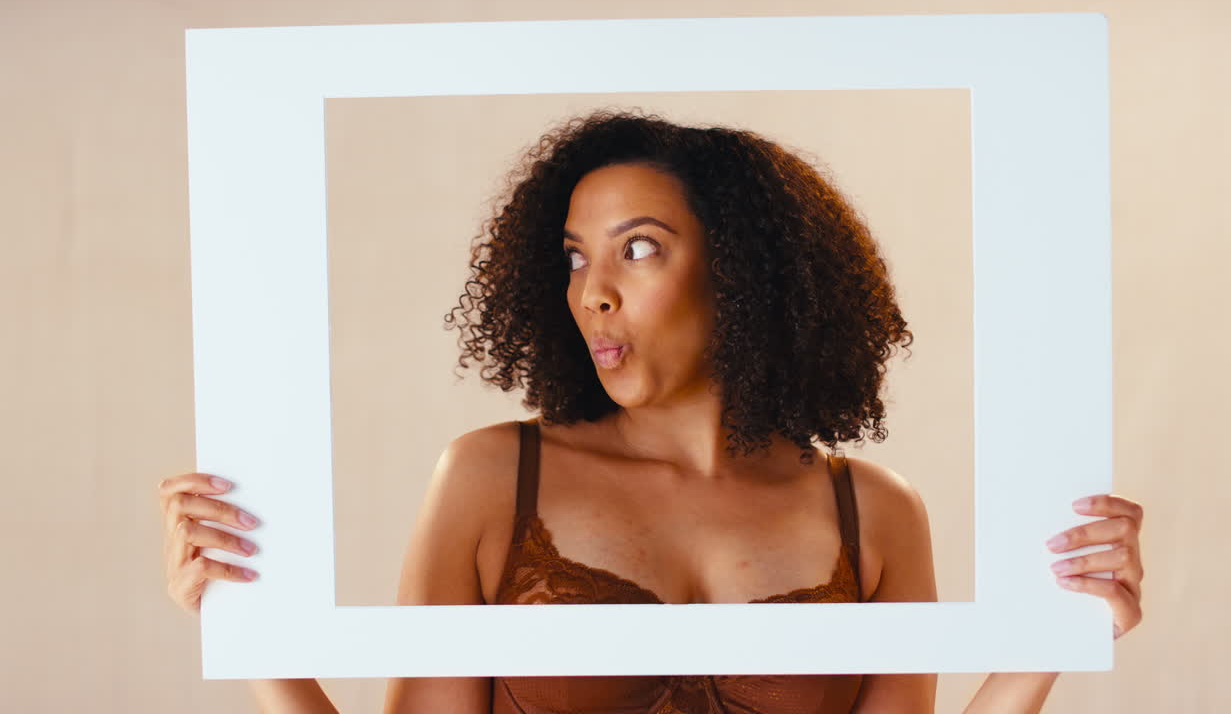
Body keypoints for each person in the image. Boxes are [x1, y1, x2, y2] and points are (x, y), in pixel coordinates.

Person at [158, 110, 1145, 713]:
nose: (591, 290)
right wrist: (248, 627)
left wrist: (1054, 635)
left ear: (743, 272)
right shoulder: (491, 479)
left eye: (635, 248)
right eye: (574, 256)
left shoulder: (875, 513)